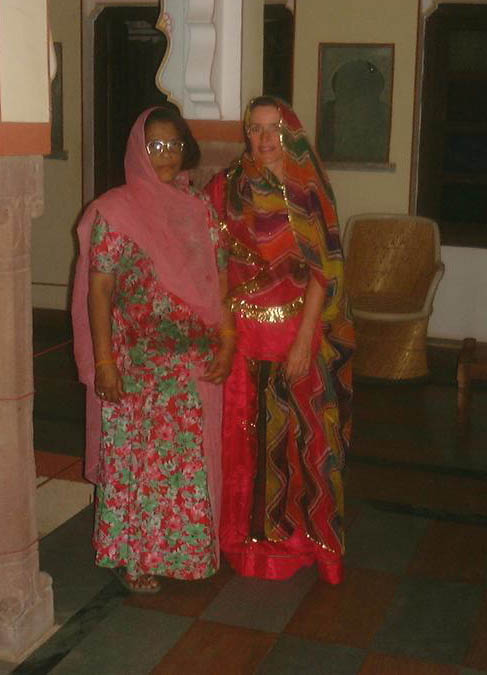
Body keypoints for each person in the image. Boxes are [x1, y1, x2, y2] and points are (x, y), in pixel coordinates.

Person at [72, 107, 235, 593]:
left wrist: (227, 340)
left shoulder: (200, 210)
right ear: (137, 151)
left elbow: (220, 281)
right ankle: (134, 559)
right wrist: (104, 361)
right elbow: (100, 291)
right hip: (137, 364)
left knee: (186, 465)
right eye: (155, 146)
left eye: (173, 145)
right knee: (140, 466)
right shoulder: (113, 211)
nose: (165, 155)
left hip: (192, 365)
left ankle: (184, 555)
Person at [205, 96, 354, 584]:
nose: (266, 139)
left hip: (294, 329)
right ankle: (244, 540)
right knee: (242, 442)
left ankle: (301, 541)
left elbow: (323, 271)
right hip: (241, 335)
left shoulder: (307, 191)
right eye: (256, 129)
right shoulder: (225, 187)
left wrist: (304, 340)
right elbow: (213, 261)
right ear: (245, 133)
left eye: (275, 130)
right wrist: (222, 331)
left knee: (302, 441)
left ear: (291, 135)